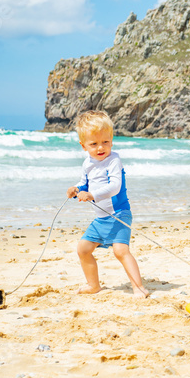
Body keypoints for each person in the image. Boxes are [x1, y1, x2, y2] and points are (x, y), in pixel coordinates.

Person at [66, 110, 148, 298]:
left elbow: (115, 187)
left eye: (105, 142)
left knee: (120, 251)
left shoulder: (114, 160)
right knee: (83, 249)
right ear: (83, 146)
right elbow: (83, 183)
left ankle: (138, 287)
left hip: (119, 214)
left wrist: (92, 195)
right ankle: (93, 285)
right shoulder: (87, 164)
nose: (100, 148)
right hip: (101, 219)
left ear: (111, 140)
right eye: (94, 144)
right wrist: (76, 190)